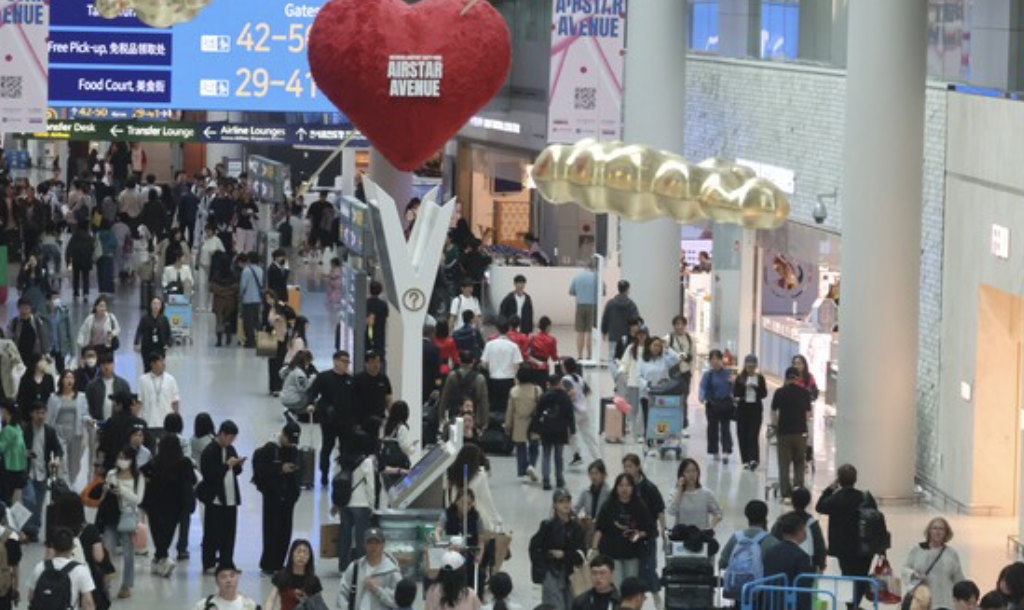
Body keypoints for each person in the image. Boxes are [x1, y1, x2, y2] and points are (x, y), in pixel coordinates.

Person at [815, 463, 875, 609]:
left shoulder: (835, 499)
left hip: (843, 548)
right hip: (864, 546)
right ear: (856, 479)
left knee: (847, 575)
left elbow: (819, 506)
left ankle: (851, 605)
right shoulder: (865, 497)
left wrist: (830, 489)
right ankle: (855, 604)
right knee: (861, 576)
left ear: (839, 480)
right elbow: (875, 517)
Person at [253, 421, 302, 575]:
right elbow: (261, 472)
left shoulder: (293, 450)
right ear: (283, 434)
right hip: (272, 497)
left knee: (285, 531)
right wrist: (279, 469)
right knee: (271, 530)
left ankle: (280, 563)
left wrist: (294, 493)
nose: (290, 444)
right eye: (289, 440)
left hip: (288, 498)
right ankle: (268, 563)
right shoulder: (268, 450)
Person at [591, 473, 656, 587]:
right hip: (612, 553)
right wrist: (594, 549)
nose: (624, 489)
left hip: (632, 554)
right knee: (617, 586)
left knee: (631, 586)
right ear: (616, 487)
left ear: (633, 488)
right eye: (621, 485)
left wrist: (639, 534)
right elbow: (599, 528)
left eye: (628, 485)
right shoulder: (608, 505)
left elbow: (651, 529)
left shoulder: (639, 506)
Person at [97, 447, 144, 599]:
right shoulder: (111, 473)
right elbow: (104, 497)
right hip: (111, 515)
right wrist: (106, 490)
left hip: (128, 516)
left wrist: (122, 490)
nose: (121, 460)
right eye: (119, 457)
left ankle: (126, 585)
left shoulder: (138, 477)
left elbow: (138, 499)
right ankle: (105, 582)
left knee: (128, 553)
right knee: (107, 550)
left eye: (125, 457)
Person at [197, 420, 243, 573]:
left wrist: (237, 465)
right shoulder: (209, 451)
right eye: (229, 438)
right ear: (221, 434)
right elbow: (209, 475)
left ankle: (227, 562)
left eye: (233, 439)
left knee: (229, 532)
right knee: (212, 532)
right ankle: (209, 564)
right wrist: (226, 466)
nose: (231, 442)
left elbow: (236, 472)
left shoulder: (230, 449)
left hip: (231, 497)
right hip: (215, 498)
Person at [622, 455, 666, 608]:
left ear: (638, 467)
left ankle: (656, 595)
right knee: (633, 571)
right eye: (625, 467)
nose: (627, 470)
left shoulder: (649, 488)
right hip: (630, 537)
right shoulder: (624, 488)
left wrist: (663, 532)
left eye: (630, 466)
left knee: (648, 568)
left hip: (647, 536)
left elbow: (660, 511)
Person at [530, 489, 585, 610]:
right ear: (555, 504)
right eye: (561, 501)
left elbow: (581, 554)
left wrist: (564, 555)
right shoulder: (547, 526)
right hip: (552, 574)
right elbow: (534, 549)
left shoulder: (576, 528)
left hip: (571, 576)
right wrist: (544, 570)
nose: (566, 504)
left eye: (568, 500)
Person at [306, 350, 355, 486]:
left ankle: (344, 473)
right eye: (343, 361)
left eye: (347, 362)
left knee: (345, 448)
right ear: (335, 361)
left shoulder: (350, 380)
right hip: (328, 420)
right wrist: (311, 404)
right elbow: (312, 393)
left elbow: (355, 400)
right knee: (327, 446)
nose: (346, 364)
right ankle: (324, 474)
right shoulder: (324, 377)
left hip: (345, 420)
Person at [332, 432, 378, 573]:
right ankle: (360, 567)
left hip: (345, 503)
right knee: (360, 538)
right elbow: (370, 485)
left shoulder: (341, 460)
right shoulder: (366, 462)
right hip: (361, 504)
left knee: (345, 536)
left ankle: (343, 567)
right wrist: (372, 505)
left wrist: (335, 503)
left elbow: (336, 482)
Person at [718, 500, 779, 599]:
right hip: (761, 595)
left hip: (739, 593)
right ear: (765, 515)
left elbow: (722, 564)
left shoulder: (736, 538)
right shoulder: (772, 541)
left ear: (747, 515)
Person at [901, 517, 966, 610]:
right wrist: (914, 575)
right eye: (934, 528)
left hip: (944, 602)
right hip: (922, 599)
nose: (937, 531)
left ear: (946, 533)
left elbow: (958, 578)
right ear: (929, 531)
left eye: (941, 529)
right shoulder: (918, 550)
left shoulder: (951, 553)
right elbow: (905, 569)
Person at [22, 400, 63, 543]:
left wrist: (56, 459)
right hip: (26, 471)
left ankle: (33, 530)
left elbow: (58, 449)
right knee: (30, 499)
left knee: (39, 503)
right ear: (31, 414)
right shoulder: (24, 429)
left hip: (42, 472)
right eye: (38, 413)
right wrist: (25, 452)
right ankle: (26, 527)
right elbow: (17, 449)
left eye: (43, 413)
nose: (41, 416)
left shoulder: (50, 431)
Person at [771, 366, 813, 501]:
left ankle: (786, 494)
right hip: (800, 432)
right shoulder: (805, 392)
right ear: (798, 378)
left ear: (786, 377)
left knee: (784, 463)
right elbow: (808, 414)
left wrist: (776, 425)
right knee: (799, 462)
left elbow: (773, 412)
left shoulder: (779, 392)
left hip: (784, 432)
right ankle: (798, 490)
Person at [27, 527, 95, 610]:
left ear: (53, 546)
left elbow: (31, 596)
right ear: (72, 547)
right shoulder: (81, 570)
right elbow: (88, 603)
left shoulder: (41, 567)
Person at [84, 351, 129, 470]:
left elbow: (128, 407)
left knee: (117, 457)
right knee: (95, 459)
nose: (106, 366)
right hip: (97, 426)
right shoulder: (92, 386)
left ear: (114, 364)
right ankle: (93, 484)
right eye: (103, 364)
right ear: (99, 366)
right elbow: (87, 406)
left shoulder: (123, 384)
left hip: (117, 427)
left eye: (109, 363)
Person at [337, 528, 402, 610]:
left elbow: (399, 601)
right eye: (369, 542)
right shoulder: (355, 567)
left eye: (376, 543)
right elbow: (341, 594)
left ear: (383, 545)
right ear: (364, 545)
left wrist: (377, 589)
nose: (373, 546)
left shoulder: (392, 571)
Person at [763, 512, 814, 610]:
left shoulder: (770, 552)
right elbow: (803, 590)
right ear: (799, 531)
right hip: (790, 605)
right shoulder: (802, 557)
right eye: (804, 529)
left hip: (771, 603)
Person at [636, 335, 680, 447]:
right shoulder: (642, 360)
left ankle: (661, 442)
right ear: (649, 346)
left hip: (662, 394)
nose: (657, 348)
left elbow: (677, 359)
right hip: (647, 394)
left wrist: (667, 347)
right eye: (655, 345)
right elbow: (638, 377)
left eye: (659, 346)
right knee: (648, 418)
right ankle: (649, 443)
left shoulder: (665, 359)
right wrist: (647, 385)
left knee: (661, 418)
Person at [533, 375, 575, 491]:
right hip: (561, 430)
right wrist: (572, 429)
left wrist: (536, 428)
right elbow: (569, 413)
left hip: (546, 429)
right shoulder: (565, 397)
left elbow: (538, 413)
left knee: (546, 454)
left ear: (549, 384)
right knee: (559, 456)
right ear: (559, 383)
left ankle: (546, 479)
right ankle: (559, 478)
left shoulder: (544, 396)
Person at [770, 487, 826, 573]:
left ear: (792, 501)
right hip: (807, 567)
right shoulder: (812, 523)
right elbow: (819, 546)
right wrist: (821, 564)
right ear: (808, 502)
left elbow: (773, 540)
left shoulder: (782, 521)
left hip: (783, 563)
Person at [46, 370, 87, 486]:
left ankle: (71, 483)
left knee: (75, 465)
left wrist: (85, 437)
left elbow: (84, 416)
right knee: (62, 461)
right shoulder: (53, 397)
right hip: (59, 431)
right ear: (62, 380)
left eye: (72, 378)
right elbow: (49, 418)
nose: (69, 380)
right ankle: (64, 486)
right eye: (67, 378)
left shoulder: (81, 397)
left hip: (76, 432)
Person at [481, 318, 523, 421]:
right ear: (508, 329)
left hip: (493, 380)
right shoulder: (513, 346)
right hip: (508, 380)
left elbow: (483, 364)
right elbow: (518, 365)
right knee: (507, 408)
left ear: (497, 329)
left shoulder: (490, 344)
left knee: (493, 408)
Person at [265, 539, 324, 610]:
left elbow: (319, 605)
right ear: (292, 554)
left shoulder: (314, 580)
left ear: (309, 557)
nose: (301, 555)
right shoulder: (281, 576)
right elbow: (271, 600)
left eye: (305, 553)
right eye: (298, 552)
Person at [665, 458, 724, 529]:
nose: (691, 474)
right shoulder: (674, 492)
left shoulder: (706, 493)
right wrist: (680, 491)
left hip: (700, 536)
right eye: (687, 471)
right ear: (681, 474)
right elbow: (671, 511)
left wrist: (710, 528)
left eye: (694, 471)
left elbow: (718, 513)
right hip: (682, 535)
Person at [698, 349, 734, 463]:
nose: (715, 361)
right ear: (709, 361)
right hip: (712, 405)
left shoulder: (728, 373)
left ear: (721, 359)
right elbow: (702, 387)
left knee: (725, 428)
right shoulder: (707, 375)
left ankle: (726, 451)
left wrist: (734, 384)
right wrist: (701, 396)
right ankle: (714, 451)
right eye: (712, 359)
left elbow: (733, 389)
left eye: (717, 359)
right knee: (712, 428)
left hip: (725, 404)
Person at [733, 355, 767, 471]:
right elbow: (736, 393)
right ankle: (745, 460)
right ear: (745, 366)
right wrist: (744, 388)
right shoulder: (740, 378)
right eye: (749, 366)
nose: (751, 368)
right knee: (742, 434)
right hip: (742, 409)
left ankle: (754, 459)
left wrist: (755, 388)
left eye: (753, 366)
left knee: (753, 434)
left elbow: (764, 394)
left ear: (756, 366)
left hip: (755, 410)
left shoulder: (760, 378)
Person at [506, 367, 541, 481]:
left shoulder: (514, 391)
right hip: (534, 423)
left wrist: (508, 425)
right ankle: (531, 465)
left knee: (520, 447)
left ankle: (523, 473)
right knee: (534, 446)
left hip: (519, 422)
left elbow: (510, 410)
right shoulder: (537, 390)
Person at [614, 325, 648, 443]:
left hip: (645, 385)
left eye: (643, 334)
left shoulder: (649, 349)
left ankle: (640, 433)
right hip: (632, 383)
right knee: (633, 409)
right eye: (639, 334)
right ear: (636, 335)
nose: (641, 336)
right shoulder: (631, 348)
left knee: (642, 410)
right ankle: (635, 431)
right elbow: (624, 363)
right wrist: (620, 373)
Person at [137, 351, 180, 441]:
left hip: (166, 423)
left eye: (163, 360)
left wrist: (176, 420)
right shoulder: (143, 380)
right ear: (152, 364)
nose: (163, 363)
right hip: (148, 422)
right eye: (160, 361)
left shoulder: (171, 379)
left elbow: (175, 401)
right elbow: (139, 401)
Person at [562, 358, 597, 468]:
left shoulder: (565, 379)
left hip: (574, 411)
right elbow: (589, 391)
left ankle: (576, 455)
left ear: (565, 367)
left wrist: (570, 401)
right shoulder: (579, 378)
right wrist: (581, 400)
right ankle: (597, 457)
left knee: (571, 434)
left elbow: (571, 392)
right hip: (584, 410)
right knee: (588, 435)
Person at [438, 351, 489, 425]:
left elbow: (444, 398)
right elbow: (484, 402)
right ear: (473, 361)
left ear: (459, 361)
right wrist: (484, 422)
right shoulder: (480, 379)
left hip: (454, 415)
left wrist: (441, 416)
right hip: (473, 418)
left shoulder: (452, 376)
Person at [665, 316, 694, 436]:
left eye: (682, 324)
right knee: (672, 399)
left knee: (684, 400)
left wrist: (691, 372)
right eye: (677, 324)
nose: (679, 326)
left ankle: (683, 426)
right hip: (673, 373)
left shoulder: (689, 338)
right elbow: (664, 353)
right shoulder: (668, 338)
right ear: (673, 325)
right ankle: (671, 425)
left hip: (685, 373)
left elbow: (693, 356)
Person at [352, 351, 393, 438]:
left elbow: (388, 399)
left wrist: (392, 417)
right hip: (362, 419)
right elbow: (352, 402)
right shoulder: (357, 379)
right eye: (373, 362)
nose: (376, 365)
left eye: (378, 362)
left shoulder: (383, 378)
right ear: (366, 364)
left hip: (380, 418)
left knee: (378, 444)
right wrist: (355, 422)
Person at [193, 562, 260, 610]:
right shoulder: (204, 605)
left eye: (232, 576)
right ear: (217, 582)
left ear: (237, 579)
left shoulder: (251, 606)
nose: (228, 580)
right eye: (223, 577)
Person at [601, 281, 640, 358]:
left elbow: (605, 318)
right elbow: (635, 320)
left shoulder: (610, 303)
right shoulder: (631, 304)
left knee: (612, 356)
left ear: (618, 289)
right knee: (626, 356)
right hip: (627, 335)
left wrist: (604, 331)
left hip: (613, 335)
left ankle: (615, 370)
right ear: (628, 289)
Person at [569, 262, 599, 360]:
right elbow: (602, 291)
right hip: (592, 307)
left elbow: (571, 291)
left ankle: (580, 355)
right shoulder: (596, 277)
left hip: (580, 306)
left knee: (580, 332)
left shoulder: (577, 276)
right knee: (590, 332)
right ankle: (589, 355)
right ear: (592, 267)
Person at [133, 296, 171, 373]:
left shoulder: (164, 319)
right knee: (147, 368)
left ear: (161, 306)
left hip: (160, 347)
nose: (156, 306)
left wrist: (168, 344)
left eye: (158, 304)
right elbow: (139, 330)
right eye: (154, 303)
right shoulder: (145, 319)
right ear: (151, 305)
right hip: (147, 348)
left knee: (159, 368)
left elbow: (168, 333)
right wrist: (136, 343)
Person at [9, 296, 50, 366]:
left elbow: (43, 337)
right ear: (18, 308)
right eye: (22, 308)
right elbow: (9, 340)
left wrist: (46, 353)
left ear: (30, 308)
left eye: (27, 308)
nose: (24, 311)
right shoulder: (14, 322)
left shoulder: (36, 321)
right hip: (19, 357)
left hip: (35, 356)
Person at [0, 402, 26, 507]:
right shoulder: (18, 428)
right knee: (11, 499)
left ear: (6, 412)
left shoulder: (8, 430)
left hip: (7, 470)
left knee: (4, 499)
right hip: (19, 470)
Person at [42, 291, 74, 374]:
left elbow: (69, 332)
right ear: (48, 301)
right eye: (54, 298)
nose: (57, 300)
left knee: (61, 371)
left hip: (60, 347)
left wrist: (72, 350)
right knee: (46, 371)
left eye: (58, 298)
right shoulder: (42, 314)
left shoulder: (64, 313)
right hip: (48, 348)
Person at [17, 354, 56, 419]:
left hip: (45, 414)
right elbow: (21, 399)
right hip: (28, 415)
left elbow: (52, 396)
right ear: (36, 362)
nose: (45, 362)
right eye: (42, 360)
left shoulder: (49, 378)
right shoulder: (26, 379)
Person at [196, 224, 225, 312]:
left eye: (209, 231)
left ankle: (210, 305)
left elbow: (222, 254)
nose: (207, 233)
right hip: (202, 265)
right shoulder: (204, 240)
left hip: (212, 267)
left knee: (210, 286)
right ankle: (201, 305)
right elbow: (199, 252)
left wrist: (215, 254)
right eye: (206, 231)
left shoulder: (217, 241)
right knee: (201, 285)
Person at [239, 252, 264, 348]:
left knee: (248, 321)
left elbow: (243, 286)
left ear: (249, 259)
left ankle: (250, 341)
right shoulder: (260, 270)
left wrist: (240, 296)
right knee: (256, 320)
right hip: (257, 299)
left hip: (247, 299)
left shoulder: (246, 270)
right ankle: (260, 338)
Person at [65, 224, 95, 302]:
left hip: (76, 259)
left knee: (76, 277)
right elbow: (93, 248)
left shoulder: (75, 237)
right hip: (86, 259)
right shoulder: (89, 237)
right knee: (86, 277)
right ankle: (85, 293)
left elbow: (69, 248)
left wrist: (68, 260)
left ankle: (76, 293)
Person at [527, 316, 559, 385]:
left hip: (532, 366)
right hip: (543, 368)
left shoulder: (532, 337)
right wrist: (561, 357)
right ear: (547, 327)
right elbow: (554, 358)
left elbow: (525, 351)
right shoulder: (552, 340)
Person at [366, 280, 390, 361]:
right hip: (379, 331)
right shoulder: (383, 304)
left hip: (367, 330)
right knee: (379, 349)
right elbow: (386, 315)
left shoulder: (366, 303)